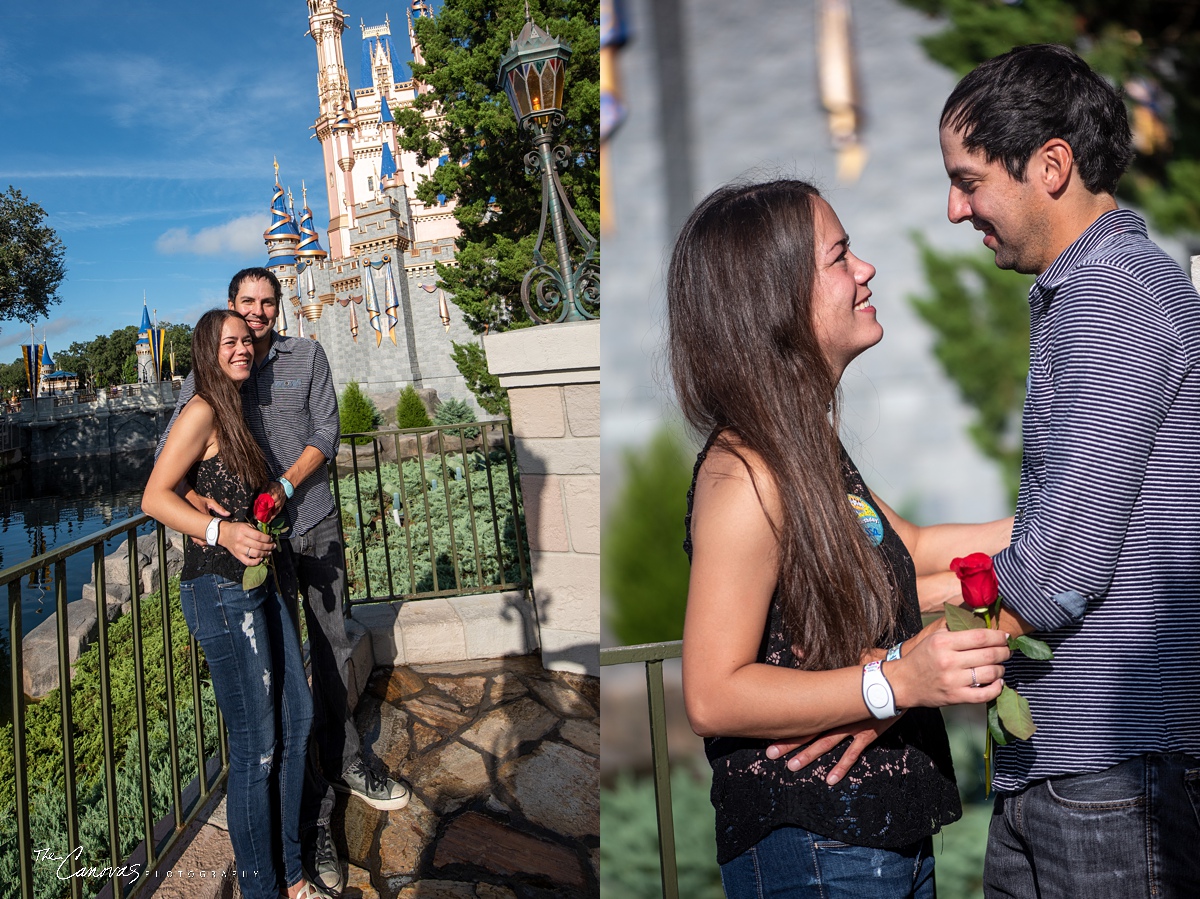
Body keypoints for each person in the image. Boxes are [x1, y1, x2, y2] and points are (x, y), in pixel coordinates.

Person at [670, 179, 1013, 899]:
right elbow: (711, 690)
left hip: (874, 843)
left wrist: (1068, 520)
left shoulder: (801, 447)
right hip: (819, 848)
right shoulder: (746, 475)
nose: (865, 270)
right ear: (779, 299)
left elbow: (907, 547)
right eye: (840, 256)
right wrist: (894, 683)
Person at [937, 44, 1200, 897]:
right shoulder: (1091, 290)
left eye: (969, 180)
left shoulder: (1113, 295)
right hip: (1079, 771)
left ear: (1051, 165)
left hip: (1114, 774)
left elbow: (1058, 567)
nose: (953, 208)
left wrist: (887, 669)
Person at [160, 268, 409, 895]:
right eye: (248, 306)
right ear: (231, 312)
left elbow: (326, 433)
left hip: (308, 524)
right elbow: (170, 463)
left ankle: (347, 765)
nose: (258, 317)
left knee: (327, 658)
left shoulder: (308, 354)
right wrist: (201, 516)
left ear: (280, 307)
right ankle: (307, 822)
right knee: (277, 704)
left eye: (268, 303)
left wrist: (284, 487)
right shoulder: (211, 376)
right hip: (248, 556)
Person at [142, 309, 328, 899]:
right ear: (206, 350)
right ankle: (264, 888)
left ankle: (292, 871)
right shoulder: (201, 409)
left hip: (259, 582)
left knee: (297, 719)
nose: (242, 348)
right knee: (257, 746)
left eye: (246, 341)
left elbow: (201, 482)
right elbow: (153, 495)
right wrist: (217, 531)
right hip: (220, 591)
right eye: (229, 342)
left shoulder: (235, 409)